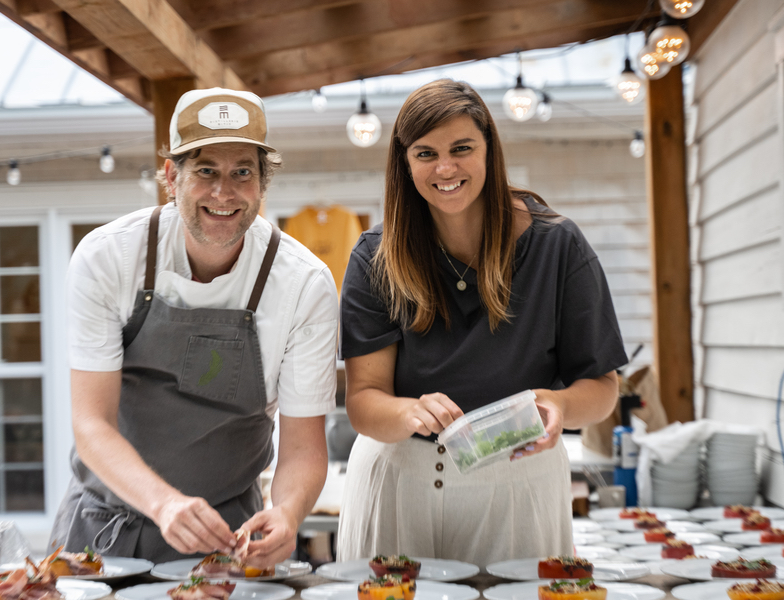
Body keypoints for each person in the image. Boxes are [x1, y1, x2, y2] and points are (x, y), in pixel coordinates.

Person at [337, 79, 627, 567]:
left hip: (521, 487)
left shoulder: (559, 245)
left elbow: (601, 387)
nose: (445, 168)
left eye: (462, 148)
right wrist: (407, 412)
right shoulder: (376, 256)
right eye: (425, 153)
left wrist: (558, 403)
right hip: (397, 485)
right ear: (404, 165)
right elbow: (364, 401)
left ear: (490, 150)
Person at [49, 88, 338, 566]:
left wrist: (287, 513)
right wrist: (164, 504)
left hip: (225, 544)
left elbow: (303, 447)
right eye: (205, 170)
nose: (223, 192)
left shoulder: (303, 284)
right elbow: (91, 423)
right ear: (171, 176)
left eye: (242, 172)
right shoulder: (108, 258)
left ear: (264, 182)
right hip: (100, 537)